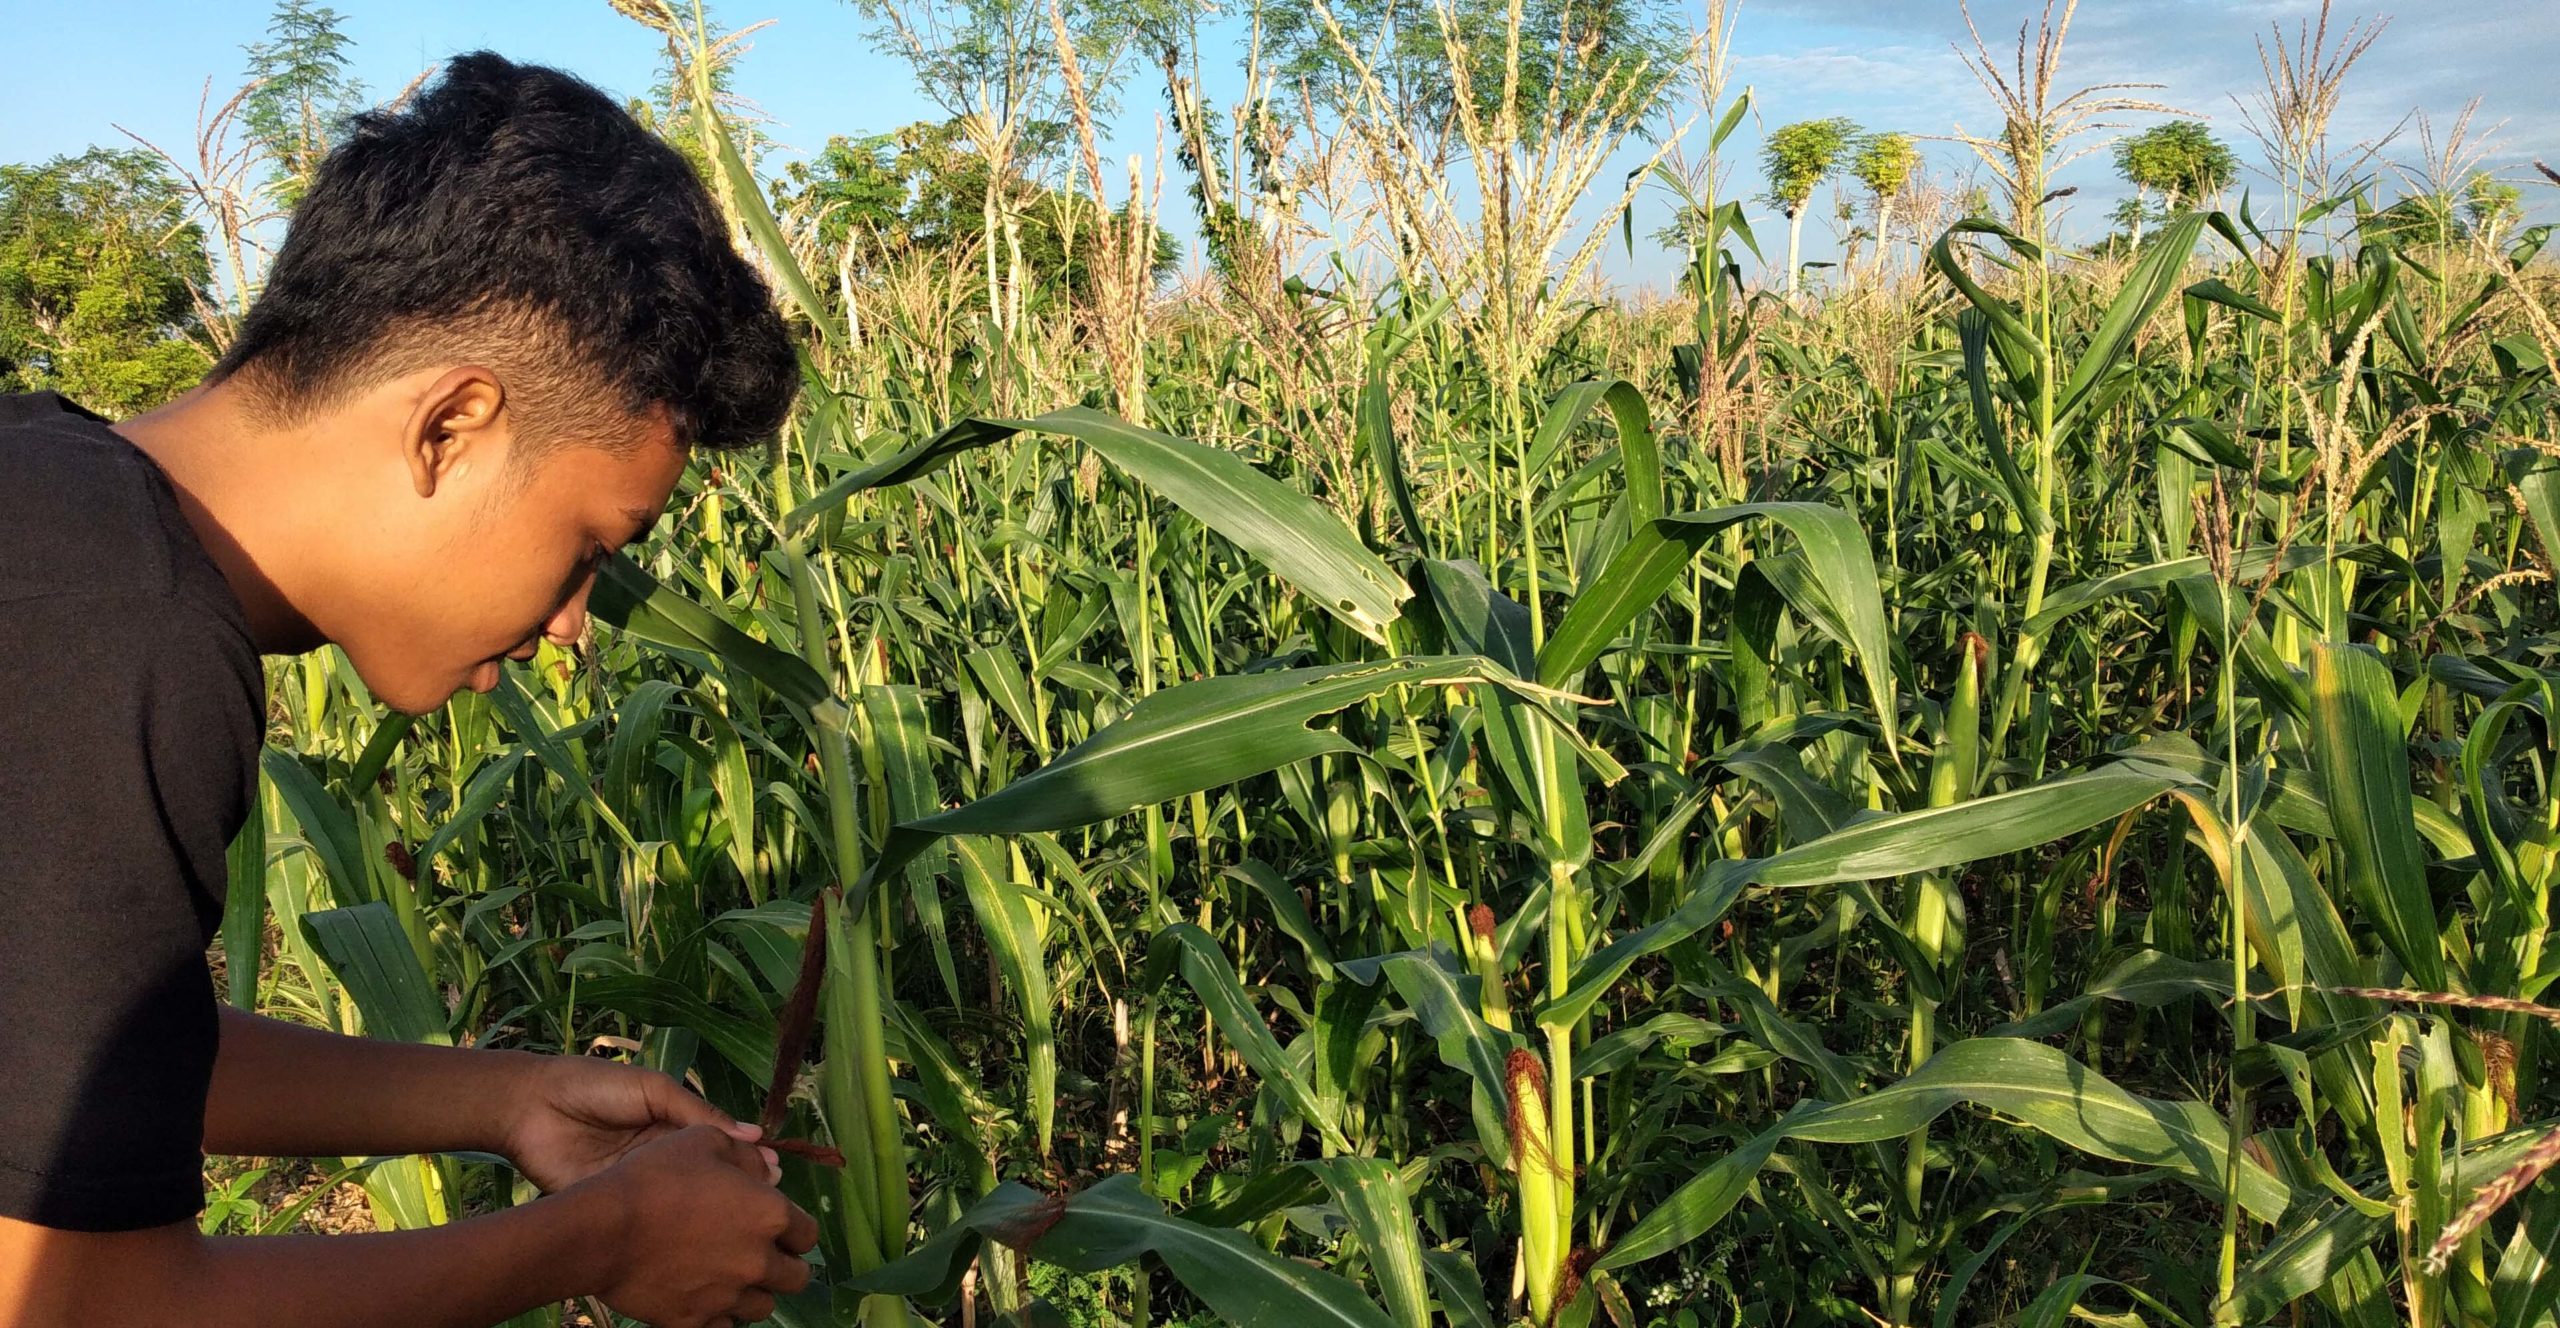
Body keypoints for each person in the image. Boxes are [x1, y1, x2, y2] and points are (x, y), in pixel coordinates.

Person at [0, 52, 817, 1328]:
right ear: (451, 425)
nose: (569, 624)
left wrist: (499, 1099)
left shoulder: (49, 507)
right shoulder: (120, 634)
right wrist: (602, 1237)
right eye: (590, 547)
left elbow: (77, 1059)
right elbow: (80, 1305)